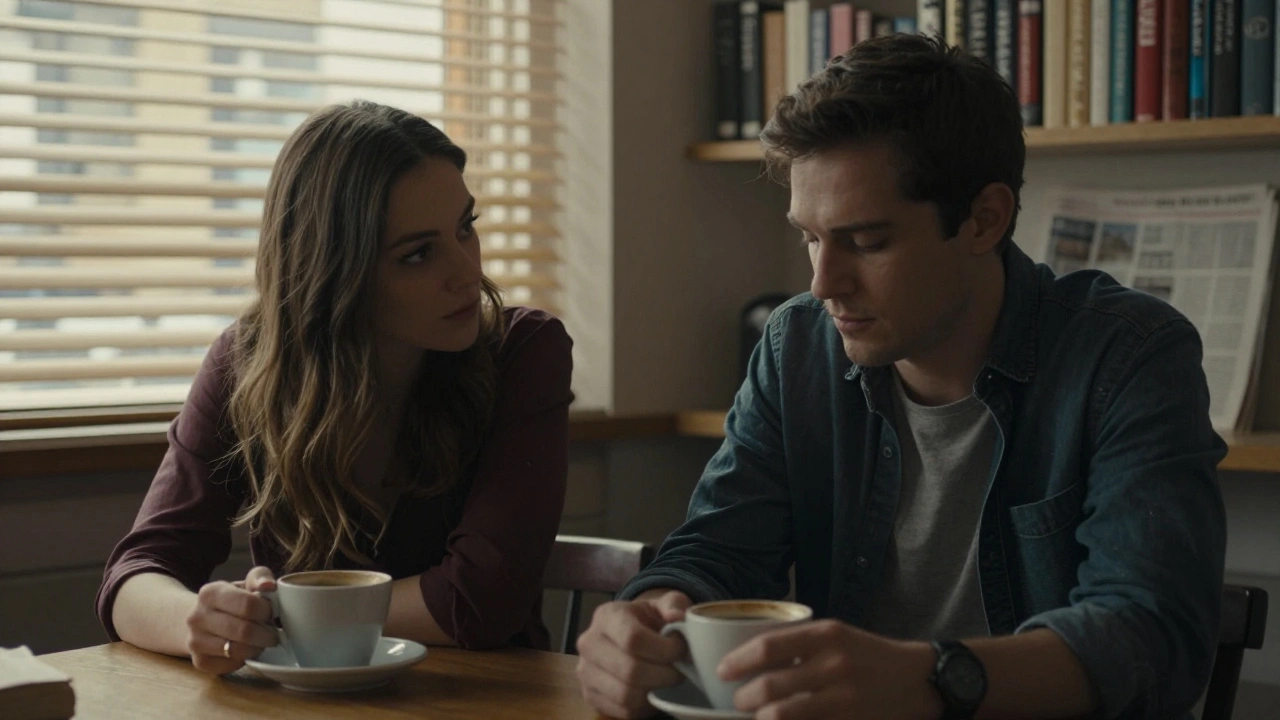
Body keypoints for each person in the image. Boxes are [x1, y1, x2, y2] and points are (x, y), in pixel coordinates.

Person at [576, 34, 1225, 720]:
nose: (823, 284)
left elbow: (1152, 638)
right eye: (809, 236)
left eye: (866, 242)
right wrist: (645, 618)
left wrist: (930, 680)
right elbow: (720, 550)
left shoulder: (1129, 357)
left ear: (984, 218)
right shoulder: (797, 346)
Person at [96, 101, 573, 675]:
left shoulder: (524, 352)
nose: (469, 272)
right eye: (419, 254)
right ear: (334, 273)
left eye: (465, 227)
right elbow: (137, 573)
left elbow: (478, 603)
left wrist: (281, 615)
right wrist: (203, 620)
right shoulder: (248, 361)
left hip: (487, 704)